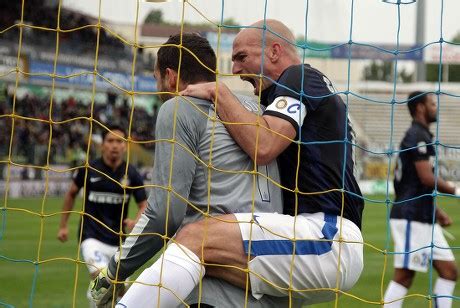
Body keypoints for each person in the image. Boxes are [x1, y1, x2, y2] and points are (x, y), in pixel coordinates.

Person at [107, 19, 365, 306]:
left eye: (242, 57)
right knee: (201, 264)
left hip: (328, 237)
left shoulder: (300, 77)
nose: (235, 69)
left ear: (274, 51)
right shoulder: (270, 103)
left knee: (196, 238)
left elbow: (264, 145)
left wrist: (220, 92)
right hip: (308, 241)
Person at [91, 33, 304, 308]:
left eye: (157, 81)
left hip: (216, 291)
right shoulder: (258, 109)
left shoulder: (178, 107)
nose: (160, 89)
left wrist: (113, 273)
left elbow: (164, 212)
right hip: (274, 283)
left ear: (170, 76)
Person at [57, 124, 148, 307]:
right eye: (110, 141)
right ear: (103, 145)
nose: (115, 145)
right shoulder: (89, 169)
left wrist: (135, 221)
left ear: (125, 146)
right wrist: (63, 225)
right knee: (103, 280)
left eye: (119, 141)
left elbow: (143, 205)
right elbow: (71, 193)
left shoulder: (131, 173)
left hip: (119, 243)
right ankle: (96, 294)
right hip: (91, 238)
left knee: (119, 295)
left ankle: (95, 298)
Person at [383, 92, 458, 308]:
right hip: (410, 217)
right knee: (405, 275)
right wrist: (456, 189)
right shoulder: (416, 135)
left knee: (449, 272)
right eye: (433, 104)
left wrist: (435, 211)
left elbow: (413, 181)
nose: (437, 108)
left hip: (424, 216)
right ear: (420, 108)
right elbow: (426, 178)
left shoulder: (423, 135)